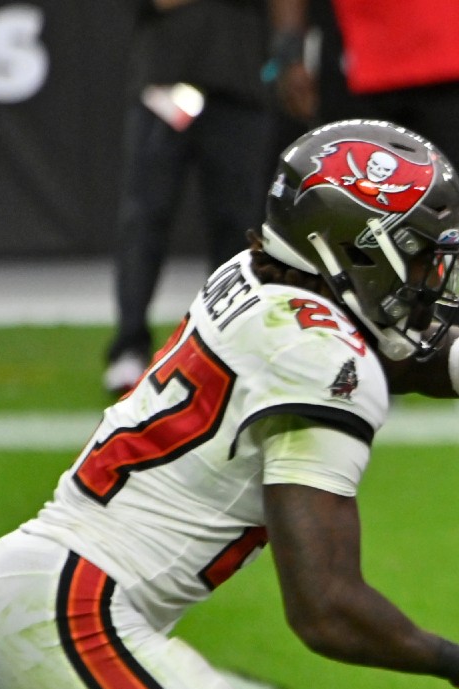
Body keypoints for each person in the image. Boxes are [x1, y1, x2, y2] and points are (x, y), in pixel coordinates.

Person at [0, 119, 459, 689]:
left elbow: (382, 351)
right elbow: (326, 608)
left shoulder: (258, 276)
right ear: (347, 245)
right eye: (418, 250)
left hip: (43, 584)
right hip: (74, 614)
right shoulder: (315, 355)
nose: (434, 273)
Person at [268, 0, 459, 395]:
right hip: (360, 51)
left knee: (455, 214)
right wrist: (289, 51)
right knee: (345, 213)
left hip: (443, 48)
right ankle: (343, 350)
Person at [103, 0, 275, 395]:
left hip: (239, 89)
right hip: (169, 86)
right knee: (146, 216)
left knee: (238, 228)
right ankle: (129, 346)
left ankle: (231, 346)